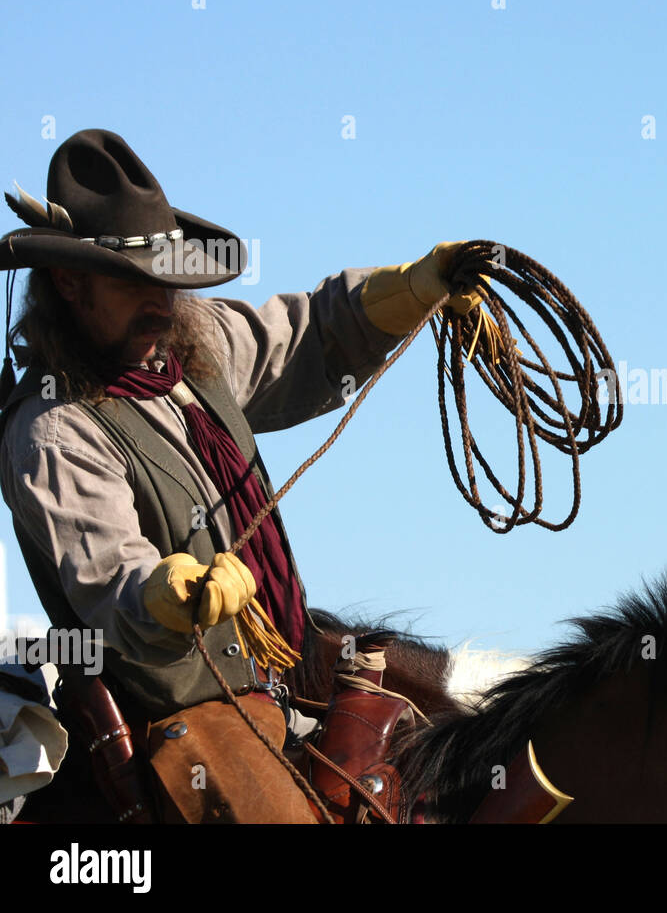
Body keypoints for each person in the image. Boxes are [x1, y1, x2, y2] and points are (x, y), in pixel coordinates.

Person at [0, 129, 481, 817]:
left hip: (284, 664)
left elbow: (309, 336)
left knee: (466, 755)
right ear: (68, 284)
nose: (160, 298)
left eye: (167, 277)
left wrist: (414, 289)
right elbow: (110, 581)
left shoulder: (190, 352)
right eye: (134, 281)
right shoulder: (51, 427)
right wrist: (170, 590)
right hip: (179, 705)